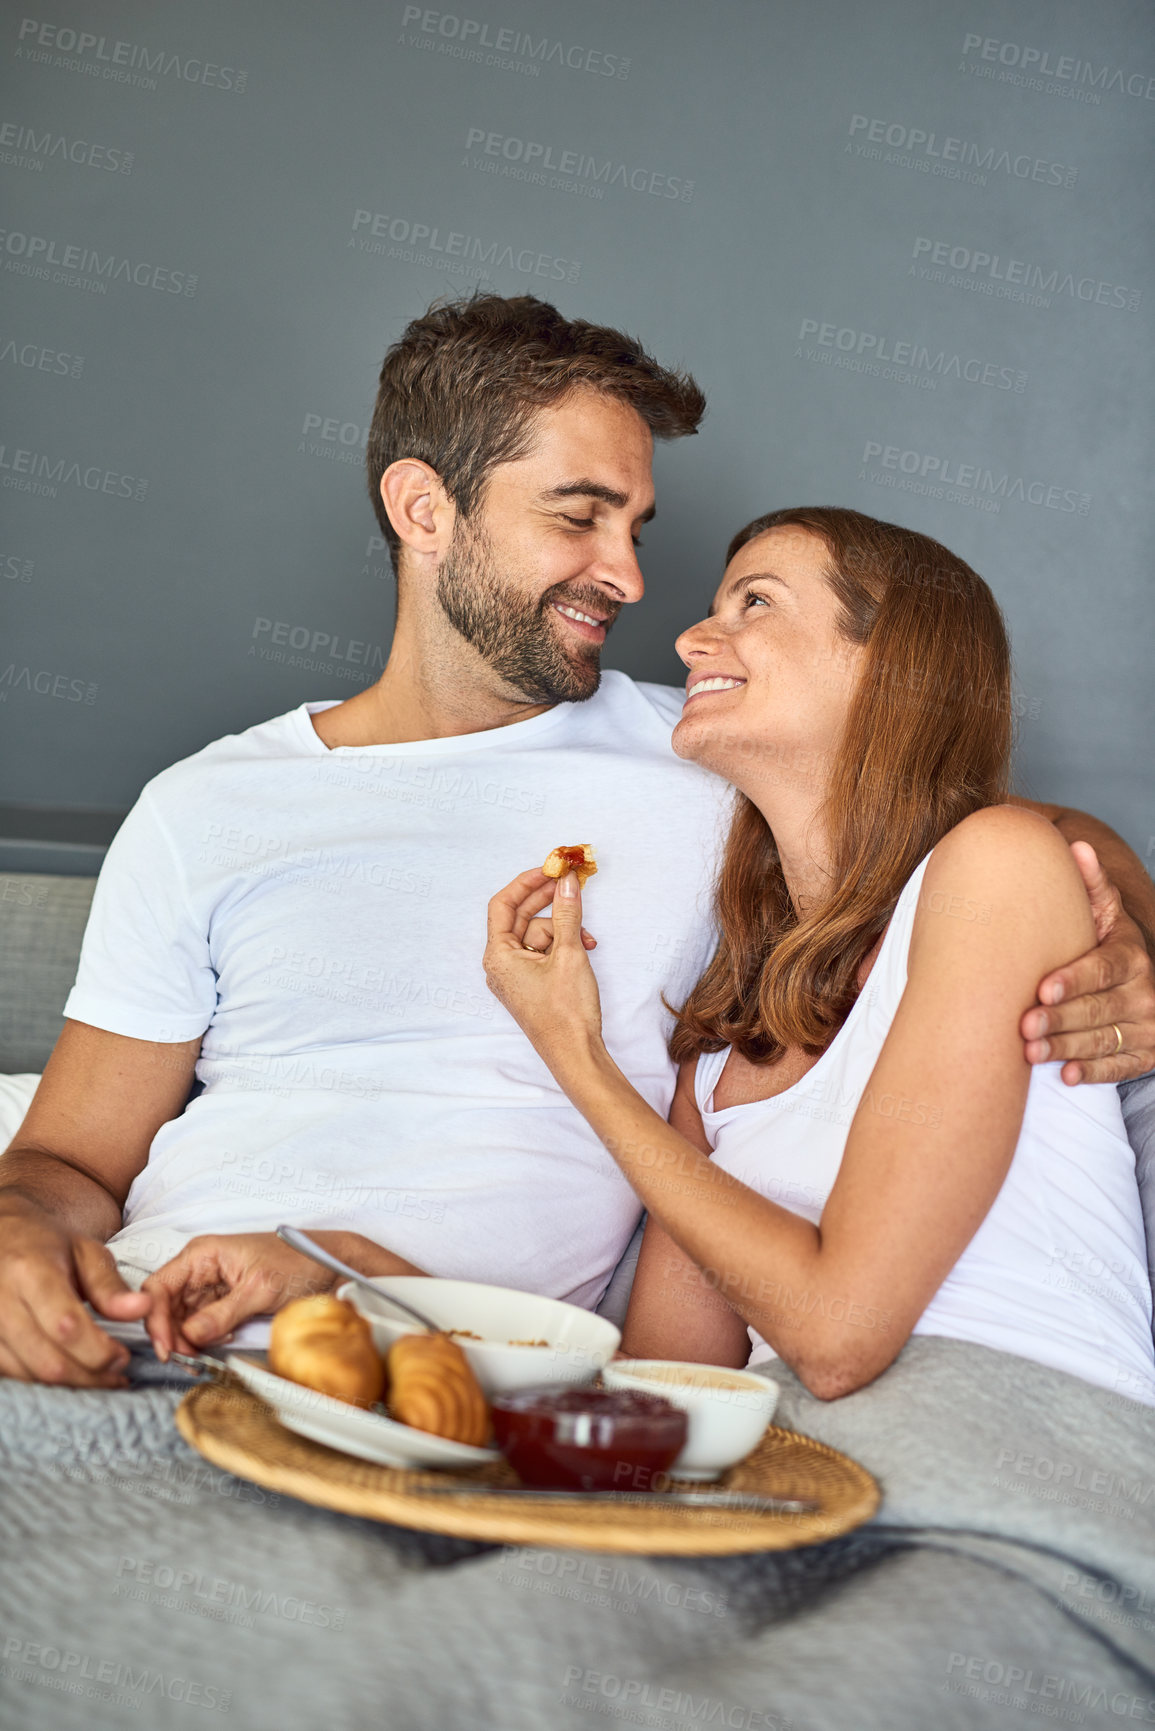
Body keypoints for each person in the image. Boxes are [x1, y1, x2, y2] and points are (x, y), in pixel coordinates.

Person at [0, 299, 1151, 1390]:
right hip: (151, 1311)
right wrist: (13, 1231)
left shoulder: (710, 755)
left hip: (471, 1368)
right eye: (577, 515)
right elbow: (70, 1164)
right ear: (424, 511)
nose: (633, 578)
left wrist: (1130, 939)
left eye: (636, 525)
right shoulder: (205, 806)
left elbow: (986, 826)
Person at [484, 508, 1155, 1405]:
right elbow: (657, 1398)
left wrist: (575, 1051)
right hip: (792, 1476)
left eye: (754, 602)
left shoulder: (1000, 865)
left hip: (1004, 1447)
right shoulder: (721, 1051)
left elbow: (839, 1337)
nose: (689, 638)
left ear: (890, 666)